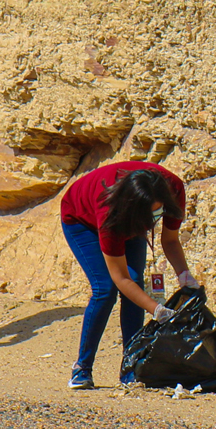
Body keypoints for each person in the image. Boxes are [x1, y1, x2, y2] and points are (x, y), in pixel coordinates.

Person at [58, 161, 198, 389]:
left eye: (158, 212)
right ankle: (82, 368)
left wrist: (184, 275)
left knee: (136, 285)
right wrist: (158, 311)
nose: (154, 220)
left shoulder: (173, 189)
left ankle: (130, 367)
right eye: (148, 216)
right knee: (105, 289)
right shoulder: (110, 212)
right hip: (81, 219)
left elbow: (170, 239)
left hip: (131, 215)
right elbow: (120, 277)